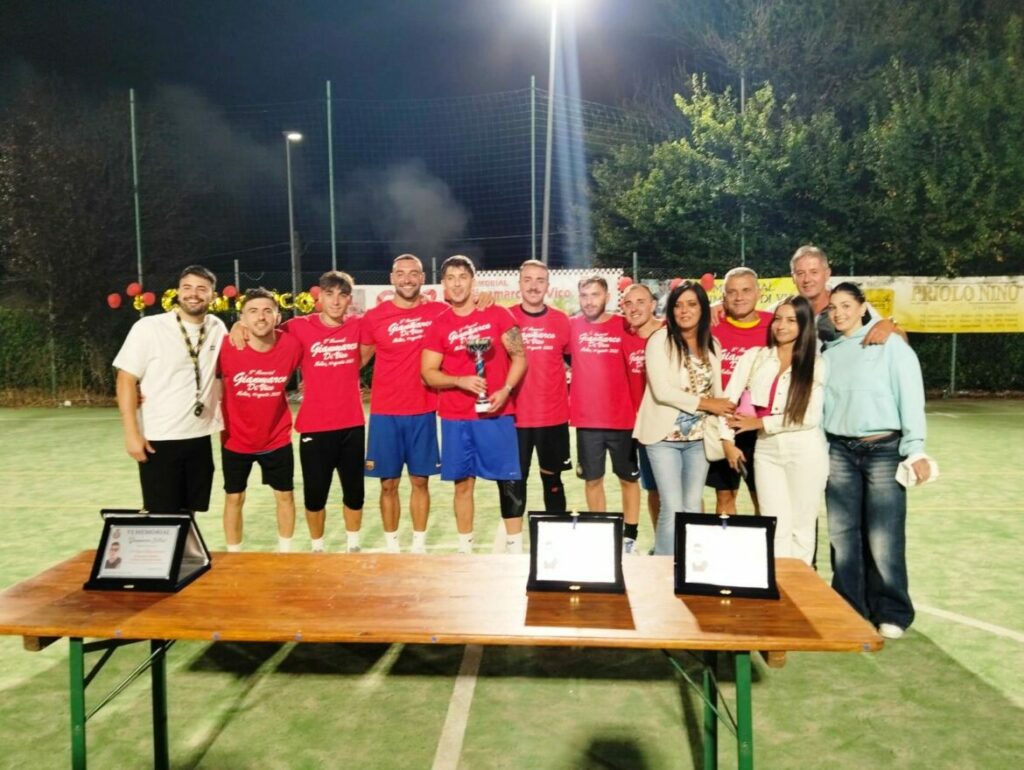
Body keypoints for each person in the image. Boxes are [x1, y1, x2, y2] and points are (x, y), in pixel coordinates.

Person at [822, 282, 931, 640]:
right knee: (843, 536)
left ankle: (892, 611)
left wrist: (915, 448)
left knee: (884, 535)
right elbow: (822, 409)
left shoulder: (890, 344)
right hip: (840, 451)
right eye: (833, 307)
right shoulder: (828, 354)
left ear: (862, 307)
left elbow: (910, 395)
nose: (839, 313)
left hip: (884, 449)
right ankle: (849, 607)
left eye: (846, 305)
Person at [421, 255, 527, 553]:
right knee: (462, 484)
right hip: (456, 416)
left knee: (508, 481)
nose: (457, 284)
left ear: (473, 281)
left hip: (497, 413)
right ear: (443, 284)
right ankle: (464, 549)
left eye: (462, 277)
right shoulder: (439, 324)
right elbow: (428, 372)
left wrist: (506, 390)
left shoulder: (498, 313)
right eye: (450, 278)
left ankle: (515, 547)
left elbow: (520, 357)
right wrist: (459, 381)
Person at [722, 296, 828, 564]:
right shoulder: (755, 357)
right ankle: (780, 584)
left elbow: (809, 417)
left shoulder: (816, 363)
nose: (781, 326)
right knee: (775, 525)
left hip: (805, 451)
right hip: (766, 450)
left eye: (791, 320)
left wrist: (760, 423)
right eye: (778, 319)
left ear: (804, 325)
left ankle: (799, 584)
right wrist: (726, 440)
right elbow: (728, 401)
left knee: (801, 528)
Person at [114, 265, 227, 513]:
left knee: (190, 513)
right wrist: (131, 433)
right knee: (161, 515)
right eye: (187, 287)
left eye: (202, 289)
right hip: (159, 438)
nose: (193, 294)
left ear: (213, 295)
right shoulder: (149, 327)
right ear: (178, 291)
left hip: (200, 436)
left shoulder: (217, 328)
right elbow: (125, 379)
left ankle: (185, 542)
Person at [633, 282, 733, 555]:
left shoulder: (713, 344)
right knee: (672, 506)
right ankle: (664, 567)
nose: (684, 311)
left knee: (692, 505)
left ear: (702, 308)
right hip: (662, 438)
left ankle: (689, 564)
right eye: (678, 305)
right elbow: (662, 391)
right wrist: (707, 404)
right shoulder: (659, 340)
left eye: (691, 304)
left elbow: (718, 393)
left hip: (699, 439)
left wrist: (725, 430)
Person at [361, 254, 449, 553]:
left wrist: (485, 299)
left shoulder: (439, 312)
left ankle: (418, 546)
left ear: (423, 278)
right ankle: (392, 546)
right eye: (401, 273)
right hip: (385, 413)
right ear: (392, 278)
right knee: (388, 484)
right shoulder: (374, 317)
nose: (407, 279)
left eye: (414, 273)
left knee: (420, 481)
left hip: (423, 410)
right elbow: (357, 359)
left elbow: (470, 314)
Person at [279, 271, 371, 552]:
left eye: (342, 295)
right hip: (314, 426)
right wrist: (239, 327)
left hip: (352, 424)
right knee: (315, 493)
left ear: (349, 299)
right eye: (329, 294)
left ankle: (353, 546)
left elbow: (372, 346)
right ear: (320, 296)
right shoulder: (299, 325)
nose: (336, 301)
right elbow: (265, 329)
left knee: (354, 491)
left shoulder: (358, 325)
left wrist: (347, 369)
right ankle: (317, 548)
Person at [217, 288, 303, 552]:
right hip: (235, 439)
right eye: (253, 311)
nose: (261, 317)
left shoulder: (291, 345)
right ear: (242, 318)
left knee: (285, 495)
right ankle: (234, 555)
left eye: (267, 311)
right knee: (234, 498)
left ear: (278, 317)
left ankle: (285, 553)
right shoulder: (226, 346)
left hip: (276, 437)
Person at [568, 276, 642, 553]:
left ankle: (629, 538)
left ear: (608, 297)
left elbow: (659, 324)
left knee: (628, 480)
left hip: (623, 420)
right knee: (593, 480)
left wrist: (716, 310)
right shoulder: (571, 326)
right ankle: (601, 534)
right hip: (587, 421)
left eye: (595, 295)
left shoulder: (624, 325)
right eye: (584, 295)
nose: (589, 301)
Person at [706, 267, 772, 515]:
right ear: (723, 296)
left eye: (746, 290)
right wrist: (710, 307)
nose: (739, 297)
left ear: (758, 292)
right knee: (724, 497)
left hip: (758, 427)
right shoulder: (711, 324)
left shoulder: (774, 324)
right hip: (722, 424)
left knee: (762, 498)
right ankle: (724, 539)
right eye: (732, 292)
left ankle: (764, 540)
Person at [509, 260, 572, 516]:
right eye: (528, 280)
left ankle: (557, 534)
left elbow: (574, 362)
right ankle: (514, 538)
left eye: (540, 280)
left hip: (552, 417)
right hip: (514, 418)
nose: (533, 286)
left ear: (548, 285)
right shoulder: (506, 318)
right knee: (514, 482)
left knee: (553, 481)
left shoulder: (562, 320)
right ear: (519, 283)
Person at [621, 284, 664, 530]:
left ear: (653, 305)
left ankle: (685, 544)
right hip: (644, 427)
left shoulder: (670, 331)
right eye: (628, 303)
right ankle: (661, 543)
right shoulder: (625, 337)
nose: (634, 308)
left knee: (680, 491)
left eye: (640, 302)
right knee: (654, 489)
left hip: (671, 425)